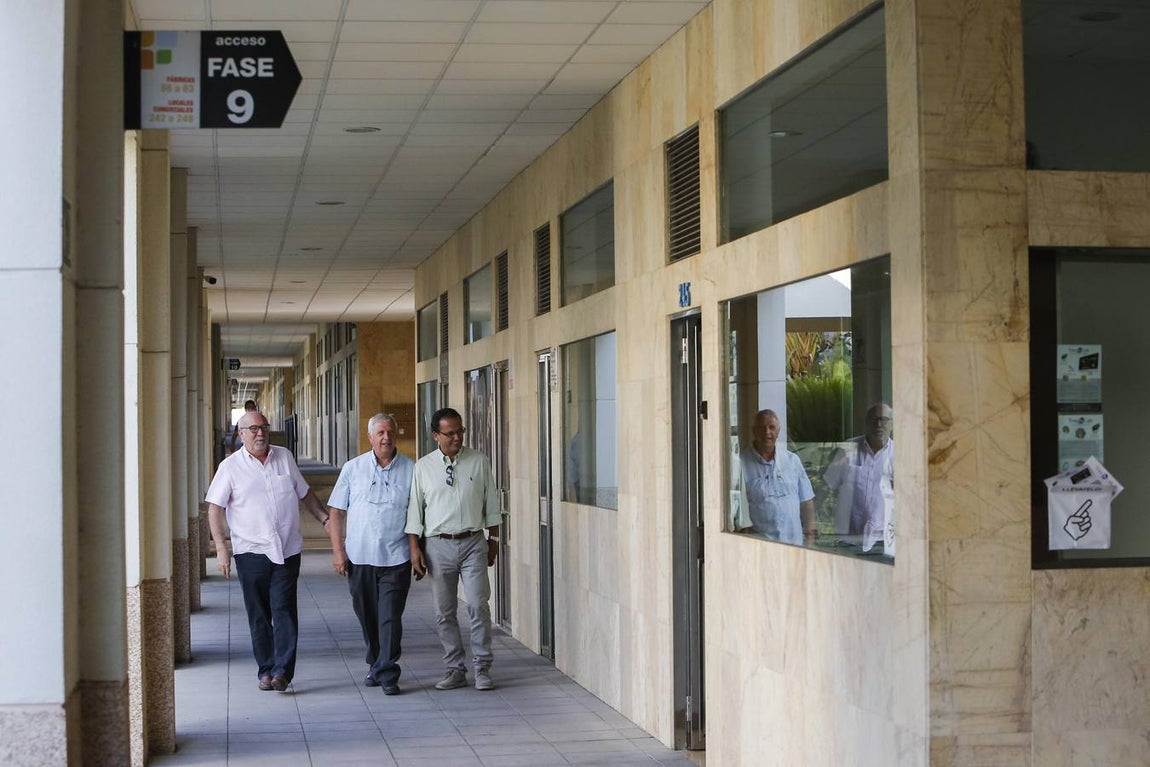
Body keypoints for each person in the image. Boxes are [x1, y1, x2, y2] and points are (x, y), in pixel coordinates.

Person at [206, 409, 329, 692]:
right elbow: (215, 508)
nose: (260, 433)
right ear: (240, 434)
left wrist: (323, 517)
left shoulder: (284, 457)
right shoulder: (230, 467)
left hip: (287, 548)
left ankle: (282, 671)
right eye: (253, 429)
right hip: (251, 552)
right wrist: (222, 549)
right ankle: (265, 669)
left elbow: (304, 492)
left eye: (263, 427)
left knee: (284, 609)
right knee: (259, 613)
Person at [406, 407, 501, 692]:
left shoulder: (479, 461)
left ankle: (482, 667)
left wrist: (493, 541)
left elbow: (492, 504)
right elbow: (415, 513)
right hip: (438, 545)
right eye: (450, 433)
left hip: (473, 542)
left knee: (477, 605)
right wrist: (415, 549)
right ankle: (454, 668)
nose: (457, 437)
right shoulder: (423, 467)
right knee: (444, 611)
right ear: (436, 436)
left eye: (460, 431)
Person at [326, 413, 415, 695]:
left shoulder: (411, 469)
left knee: (390, 616)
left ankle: (388, 672)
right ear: (370, 438)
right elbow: (336, 511)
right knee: (367, 616)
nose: (386, 437)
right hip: (359, 556)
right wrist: (338, 551)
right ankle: (376, 661)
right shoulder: (353, 468)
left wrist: (415, 551)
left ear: (396, 434)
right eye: (380, 433)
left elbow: (416, 514)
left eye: (390, 432)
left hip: (396, 556)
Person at [732, 408, 815, 544]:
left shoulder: (792, 460)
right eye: (762, 428)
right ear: (754, 431)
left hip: (794, 546)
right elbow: (739, 512)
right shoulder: (741, 464)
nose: (767, 432)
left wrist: (810, 541)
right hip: (761, 548)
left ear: (778, 431)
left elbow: (807, 503)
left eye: (771, 427)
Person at [822, 403, 893, 552]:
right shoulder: (849, 448)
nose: (879, 425)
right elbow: (827, 486)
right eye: (874, 420)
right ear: (866, 423)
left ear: (892, 424)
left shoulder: (898, 455)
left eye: (884, 420)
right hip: (848, 538)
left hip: (882, 539)